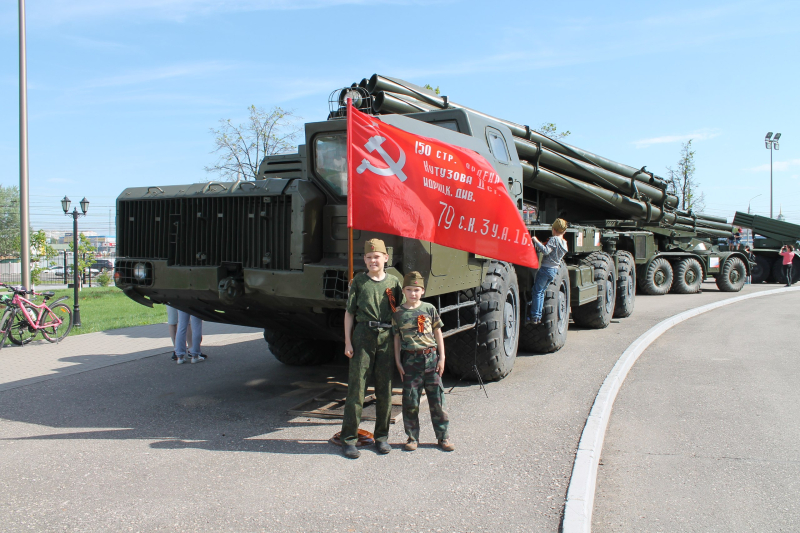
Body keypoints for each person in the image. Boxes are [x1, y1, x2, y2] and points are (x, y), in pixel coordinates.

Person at [340, 238, 404, 459]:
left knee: (385, 389)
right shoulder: (359, 282)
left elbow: (400, 312)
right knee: (356, 388)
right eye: (368, 257)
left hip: (386, 337)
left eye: (376, 256)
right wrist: (348, 342)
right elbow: (349, 313)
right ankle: (349, 439)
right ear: (364, 260)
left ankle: (382, 437)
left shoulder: (394, 283)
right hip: (363, 336)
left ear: (385, 258)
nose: (372, 260)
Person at [393, 271, 453, 452]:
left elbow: (438, 333)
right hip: (410, 360)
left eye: (417, 290)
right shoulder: (398, 313)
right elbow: (396, 338)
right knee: (410, 401)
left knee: (438, 401)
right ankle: (412, 437)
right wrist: (397, 361)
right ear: (403, 291)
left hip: (431, 359)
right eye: (409, 289)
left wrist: (442, 358)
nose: (413, 293)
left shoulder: (429, 309)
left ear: (423, 291)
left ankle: (443, 437)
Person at [526, 218, 569, 324]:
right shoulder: (564, 243)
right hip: (554, 270)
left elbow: (545, 251)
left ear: (553, 229)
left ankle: (535, 316)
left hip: (546, 268)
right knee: (541, 292)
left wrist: (536, 241)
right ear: (564, 231)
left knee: (537, 292)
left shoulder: (554, 239)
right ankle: (537, 316)